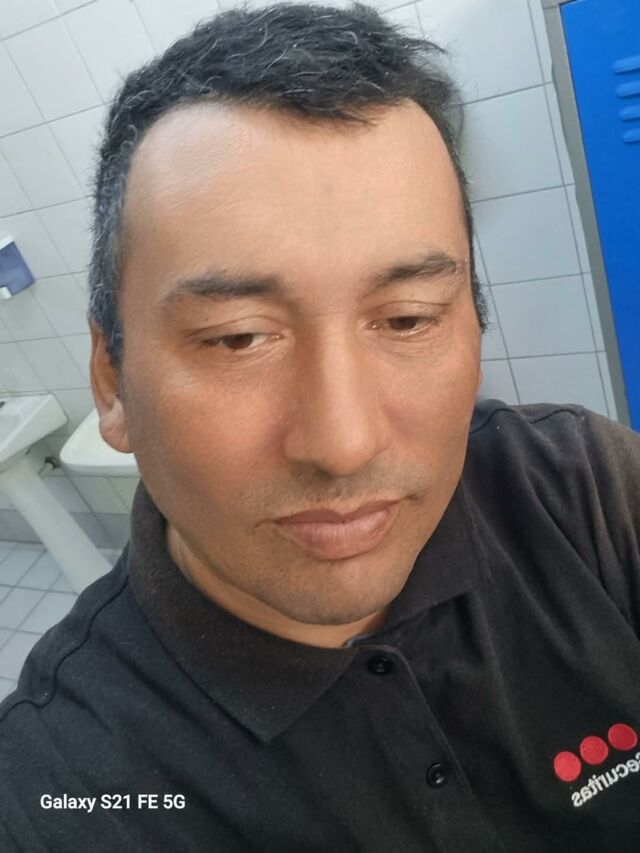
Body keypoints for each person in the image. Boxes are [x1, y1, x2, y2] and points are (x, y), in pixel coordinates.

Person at [1, 2, 639, 850]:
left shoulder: (584, 489)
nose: (345, 443)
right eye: (238, 338)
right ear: (112, 380)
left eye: (408, 319)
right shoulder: (57, 787)